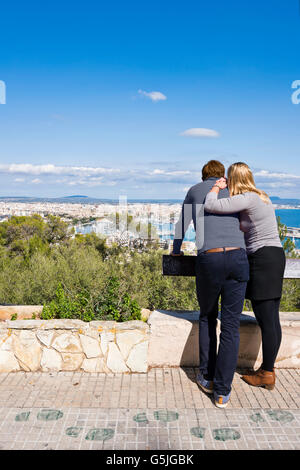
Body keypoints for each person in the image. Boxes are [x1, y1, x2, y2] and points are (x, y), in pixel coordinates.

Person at [172, 160, 249, 408]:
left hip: (210, 257)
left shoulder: (195, 190)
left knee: (207, 316)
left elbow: (181, 225)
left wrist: (176, 250)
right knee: (230, 326)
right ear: (222, 175)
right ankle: (222, 392)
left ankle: (206, 378)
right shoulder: (234, 190)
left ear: (203, 175)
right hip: (238, 257)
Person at [204, 162, 286, 391]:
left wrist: (215, 187)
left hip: (262, 259)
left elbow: (211, 205)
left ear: (233, 179)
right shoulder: (263, 197)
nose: (227, 182)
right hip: (274, 256)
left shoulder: (247, 198)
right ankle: (267, 370)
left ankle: (267, 373)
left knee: (266, 318)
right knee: (271, 319)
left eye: (228, 179)